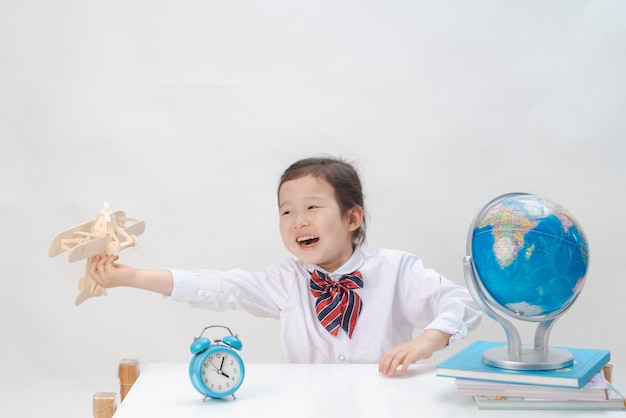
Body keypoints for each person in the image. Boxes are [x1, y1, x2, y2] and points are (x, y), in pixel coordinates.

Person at [89, 156, 482, 376]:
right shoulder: (285, 281)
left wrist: (425, 341)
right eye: (287, 211)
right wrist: (134, 277)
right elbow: (220, 287)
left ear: (352, 218)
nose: (298, 221)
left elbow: (462, 302)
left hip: (384, 404)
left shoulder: (397, 270)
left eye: (313, 207)